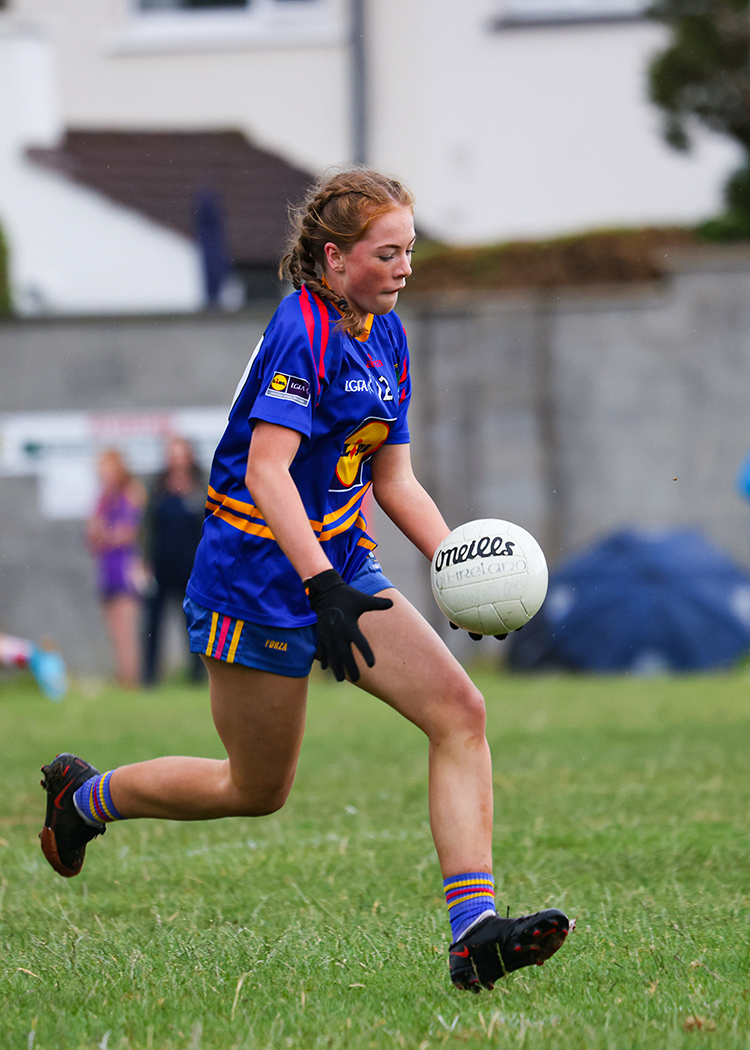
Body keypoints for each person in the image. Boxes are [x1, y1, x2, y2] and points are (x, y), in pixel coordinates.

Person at [39, 169, 571, 992]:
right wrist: (319, 585)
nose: (403, 268)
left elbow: (393, 477)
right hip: (254, 582)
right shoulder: (303, 331)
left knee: (461, 712)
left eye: (409, 252)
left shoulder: (386, 334)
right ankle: (84, 801)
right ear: (334, 256)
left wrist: (453, 563)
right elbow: (267, 471)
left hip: (340, 566)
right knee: (254, 788)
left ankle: (475, 934)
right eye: (387, 252)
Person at [141, 435, 206, 686]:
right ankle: (149, 677)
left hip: (190, 565)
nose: (176, 459)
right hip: (160, 564)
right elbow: (147, 526)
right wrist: (144, 560)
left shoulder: (200, 485)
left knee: (192, 621)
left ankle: (197, 676)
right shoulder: (157, 485)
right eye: (172, 453)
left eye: (181, 453)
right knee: (153, 622)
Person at [86, 448, 146, 689]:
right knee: (113, 627)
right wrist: (105, 535)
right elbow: (92, 536)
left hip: (125, 567)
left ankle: (132, 677)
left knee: (126, 627)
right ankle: (122, 674)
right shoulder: (103, 498)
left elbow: (128, 533)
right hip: (106, 568)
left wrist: (105, 535)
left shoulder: (131, 493)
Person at [0, 632, 68, 700]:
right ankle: (56, 688)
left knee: (46, 667)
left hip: (27, 653)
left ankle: (56, 688)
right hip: (27, 654)